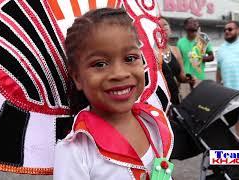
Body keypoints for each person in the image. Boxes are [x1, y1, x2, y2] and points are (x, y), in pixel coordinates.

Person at [54, 8, 174, 180]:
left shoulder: (154, 123)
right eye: (100, 64)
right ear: (78, 78)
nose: (120, 74)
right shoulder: (76, 151)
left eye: (130, 58)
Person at [156, 17, 195, 105]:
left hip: (175, 98)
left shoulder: (175, 50)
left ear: (170, 30)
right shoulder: (151, 51)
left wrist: (189, 78)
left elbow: (181, 77)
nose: (163, 27)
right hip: (158, 100)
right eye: (158, 25)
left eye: (165, 24)